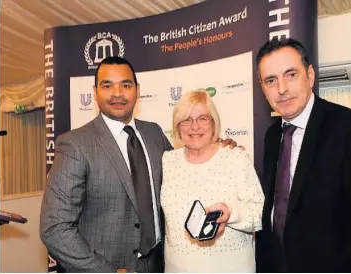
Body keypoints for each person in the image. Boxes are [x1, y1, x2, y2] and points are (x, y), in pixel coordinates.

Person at [40, 56, 235, 272]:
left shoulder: (154, 133)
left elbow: (185, 173)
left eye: (125, 85)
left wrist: (216, 148)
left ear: (137, 90)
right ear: (95, 92)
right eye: (107, 85)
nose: (117, 93)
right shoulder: (76, 144)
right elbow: (55, 227)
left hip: (159, 264)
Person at [255, 37, 351, 272]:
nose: (281, 89)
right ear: (263, 88)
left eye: (290, 74)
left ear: (309, 76)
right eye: (271, 80)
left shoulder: (345, 126)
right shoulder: (271, 136)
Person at [161, 89, 264, 272]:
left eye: (202, 118)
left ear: (213, 123)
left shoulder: (235, 158)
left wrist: (231, 213)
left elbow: (259, 213)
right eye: (186, 120)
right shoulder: (167, 161)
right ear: (177, 127)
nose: (195, 127)